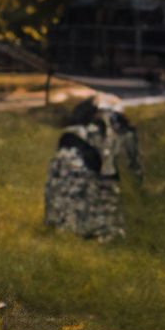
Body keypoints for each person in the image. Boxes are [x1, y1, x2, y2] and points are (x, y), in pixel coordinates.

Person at [43, 97, 135, 241]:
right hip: (81, 177)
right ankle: (89, 228)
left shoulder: (73, 132)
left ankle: (70, 225)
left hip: (63, 185)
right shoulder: (102, 130)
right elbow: (108, 169)